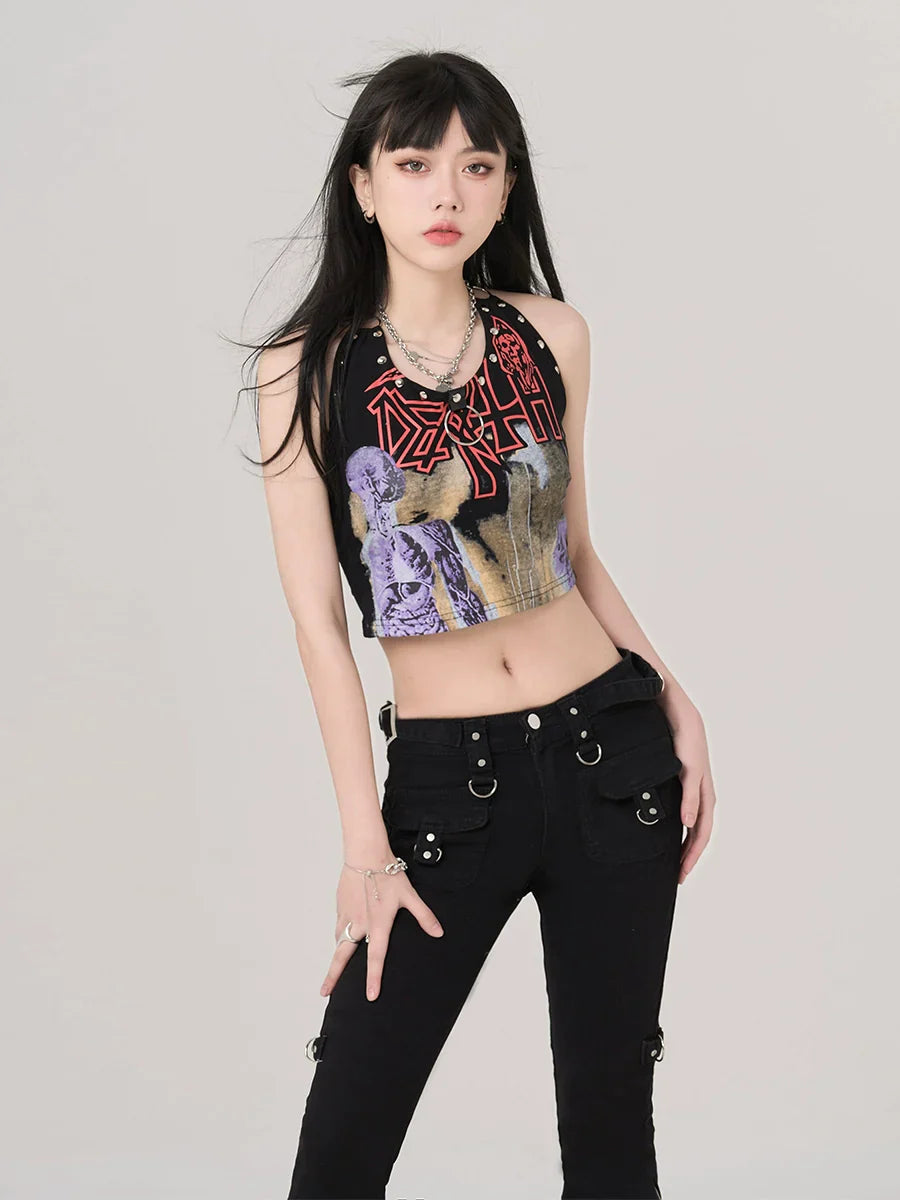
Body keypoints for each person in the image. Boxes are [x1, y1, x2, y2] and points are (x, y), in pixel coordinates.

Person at [245, 49, 715, 1200]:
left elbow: (574, 556)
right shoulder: (302, 373)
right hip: (449, 786)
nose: (446, 192)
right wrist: (365, 847)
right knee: (343, 1145)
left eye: (478, 165)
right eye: (414, 164)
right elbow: (318, 630)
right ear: (364, 186)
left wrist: (675, 699)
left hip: (613, 759)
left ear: (508, 188)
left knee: (611, 1133)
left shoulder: (553, 336)